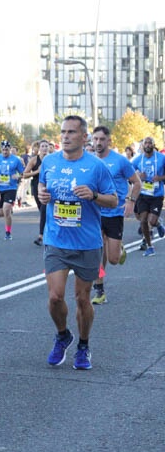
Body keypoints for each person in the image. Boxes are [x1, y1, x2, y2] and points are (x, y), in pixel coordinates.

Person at [37, 115, 116, 370]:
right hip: (57, 240)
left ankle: (83, 345)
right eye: (63, 131)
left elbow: (113, 200)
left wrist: (93, 195)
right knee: (55, 297)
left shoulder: (96, 166)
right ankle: (63, 335)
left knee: (82, 298)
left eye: (72, 132)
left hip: (87, 243)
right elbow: (41, 188)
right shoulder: (49, 161)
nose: (65, 136)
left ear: (84, 137)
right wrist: (41, 195)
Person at [90, 126, 140, 304]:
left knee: (113, 259)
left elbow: (136, 182)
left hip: (115, 212)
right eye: (95, 139)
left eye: (102, 139)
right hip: (95, 213)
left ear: (109, 141)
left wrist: (130, 201)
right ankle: (99, 290)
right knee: (97, 253)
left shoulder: (120, 161)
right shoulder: (88, 160)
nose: (98, 143)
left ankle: (119, 248)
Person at [131, 136, 165, 256]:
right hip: (143, 194)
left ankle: (158, 224)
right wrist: (138, 174)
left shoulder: (162, 158)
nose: (148, 145)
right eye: (146, 143)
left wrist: (160, 178)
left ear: (153, 145)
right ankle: (150, 247)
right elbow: (129, 172)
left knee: (152, 220)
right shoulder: (138, 160)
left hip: (157, 194)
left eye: (150, 143)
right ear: (142, 146)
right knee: (143, 220)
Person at [0, 141, 25, 240]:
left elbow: (23, 173)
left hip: (11, 188)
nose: (5, 152)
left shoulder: (15, 160)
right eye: (3, 150)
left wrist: (17, 176)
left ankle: (8, 232)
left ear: (10, 149)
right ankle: (7, 213)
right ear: (1, 149)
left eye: (7, 150)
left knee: (6, 210)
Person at [23, 140, 51, 246]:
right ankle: (47, 232)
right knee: (42, 211)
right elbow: (25, 174)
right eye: (42, 146)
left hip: (48, 189)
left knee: (44, 210)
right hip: (36, 187)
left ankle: (41, 236)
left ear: (49, 148)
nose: (44, 148)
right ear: (39, 148)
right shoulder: (34, 160)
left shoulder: (52, 160)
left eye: (46, 146)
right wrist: (37, 172)